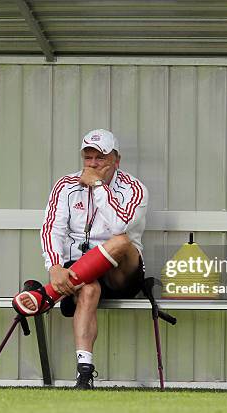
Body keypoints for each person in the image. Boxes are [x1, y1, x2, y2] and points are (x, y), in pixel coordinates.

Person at [16, 128, 148, 389]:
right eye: (88, 158)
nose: (93, 164)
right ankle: (84, 373)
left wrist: (98, 187)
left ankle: (49, 295)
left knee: (121, 241)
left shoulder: (135, 188)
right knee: (87, 289)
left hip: (121, 272)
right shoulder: (65, 185)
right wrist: (54, 266)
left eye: (100, 158)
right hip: (79, 271)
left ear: (116, 160)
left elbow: (120, 225)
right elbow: (52, 228)